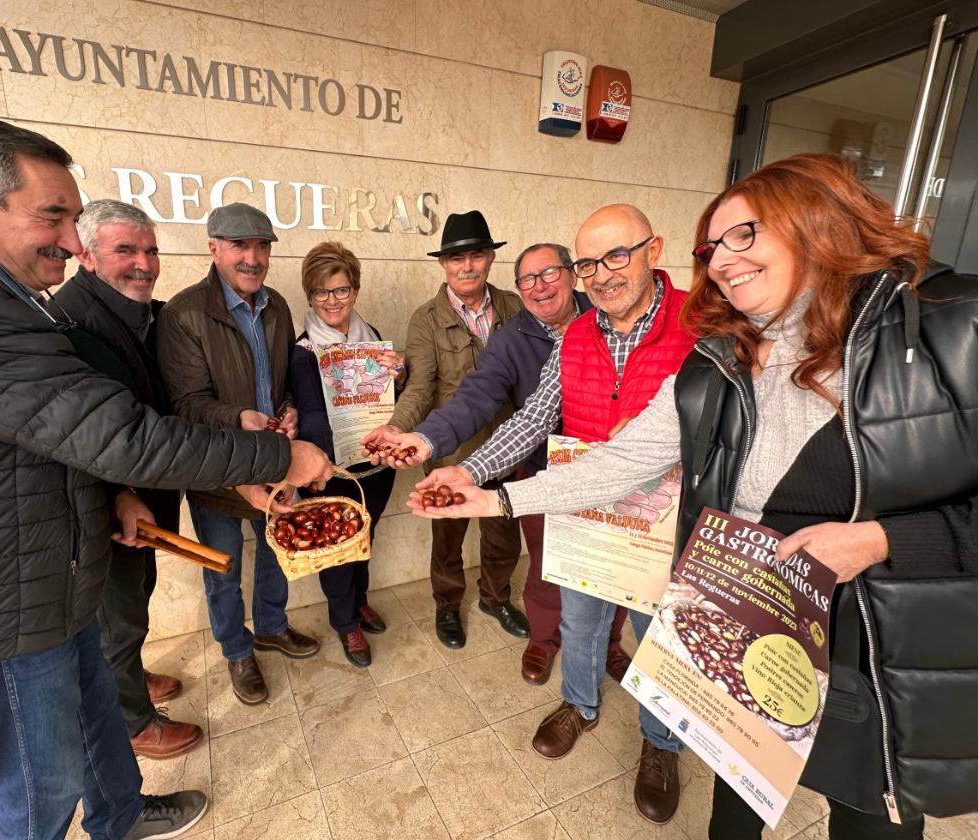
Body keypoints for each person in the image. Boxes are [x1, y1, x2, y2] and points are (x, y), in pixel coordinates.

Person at [409, 153, 978, 839]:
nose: (726, 259)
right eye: (715, 245)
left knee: (867, 819)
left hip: (878, 646)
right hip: (739, 622)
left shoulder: (947, 329)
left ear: (817, 220)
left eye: (747, 235)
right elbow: (619, 459)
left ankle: (660, 744)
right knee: (734, 811)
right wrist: (490, 496)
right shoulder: (717, 358)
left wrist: (881, 540)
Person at [0, 118, 333, 840]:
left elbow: (46, 440)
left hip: (46, 580)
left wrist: (111, 499)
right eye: (54, 216)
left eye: (75, 220)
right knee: (41, 796)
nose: (75, 243)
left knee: (101, 726)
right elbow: (121, 433)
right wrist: (277, 459)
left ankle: (123, 817)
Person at [420, 205, 694, 823]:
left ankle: (661, 744)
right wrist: (468, 470)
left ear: (655, 249)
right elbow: (535, 419)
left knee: (660, 637)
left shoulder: (697, 325)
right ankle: (580, 703)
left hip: (666, 521)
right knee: (581, 614)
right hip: (585, 505)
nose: (601, 275)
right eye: (590, 263)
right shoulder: (575, 335)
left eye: (616, 257)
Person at [364, 242, 592, 683]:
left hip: (526, 456)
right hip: (482, 452)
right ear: (444, 265)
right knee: (467, 542)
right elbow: (472, 394)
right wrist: (410, 433)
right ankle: (459, 610)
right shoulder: (437, 320)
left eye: (548, 275)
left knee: (511, 544)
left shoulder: (546, 312)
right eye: (529, 279)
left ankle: (497, 599)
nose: (539, 288)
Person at [47, 199, 200, 761]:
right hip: (109, 508)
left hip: (150, 493)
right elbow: (74, 431)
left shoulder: (148, 313)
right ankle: (133, 722)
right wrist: (115, 494)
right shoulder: (71, 321)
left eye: (151, 249)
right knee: (118, 615)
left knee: (137, 596)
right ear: (86, 256)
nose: (144, 263)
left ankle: (127, 680)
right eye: (125, 250)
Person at [157, 202, 321, 706]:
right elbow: (186, 404)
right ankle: (236, 650)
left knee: (277, 549)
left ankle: (271, 626)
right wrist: (240, 418)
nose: (252, 258)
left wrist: (287, 411)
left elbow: (280, 382)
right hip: (217, 469)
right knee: (221, 567)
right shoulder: (183, 314)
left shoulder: (277, 307)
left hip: (273, 458)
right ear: (213, 249)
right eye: (239, 246)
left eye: (261, 247)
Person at [371, 210, 526, 650]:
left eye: (476, 255)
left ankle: (496, 599)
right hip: (451, 454)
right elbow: (420, 387)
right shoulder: (426, 319)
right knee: (448, 540)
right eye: (456, 258)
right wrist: (396, 427)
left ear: (490, 259)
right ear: (443, 264)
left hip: (507, 449)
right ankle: (446, 605)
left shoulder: (515, 307)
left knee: (502, 537)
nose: (467, 266)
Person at [288, 242, 405, 667]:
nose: (332, 301)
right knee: (335, 547)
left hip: (374, 465)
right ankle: (345, 623)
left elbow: (393, 399)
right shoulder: (300, 351)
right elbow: (301, 413)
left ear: (355, 290)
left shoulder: (372, 338)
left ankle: (358, 603)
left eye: (341, 290)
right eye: (322, 293)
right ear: (310, 296)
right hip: (327, 469)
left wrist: (399, 373)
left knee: (364, 538)